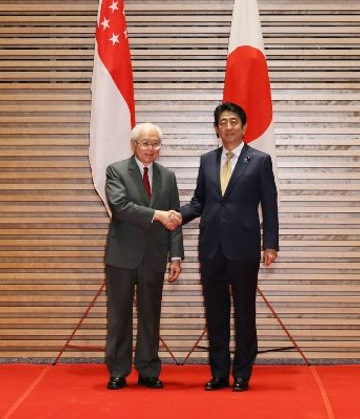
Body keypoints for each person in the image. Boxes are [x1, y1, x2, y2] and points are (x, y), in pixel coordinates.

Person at [173, 102, 279, 392]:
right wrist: (175, 216)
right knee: (215, 312)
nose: (228, 126)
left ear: (243, 127)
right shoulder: (207, 159)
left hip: (244, 248)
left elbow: (269, 204)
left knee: (245, 311)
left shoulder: (259, 160)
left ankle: (243, 372)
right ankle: (219, 372)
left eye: (234, 121)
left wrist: (270, 243)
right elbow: (199, 202)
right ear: (216, 128)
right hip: (210, 248)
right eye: (223, 122)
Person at [104, 122, 184, 390]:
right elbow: (120, 207)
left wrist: (175, 256)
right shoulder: (116, 170)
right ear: (134, 144)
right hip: (122, 256)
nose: (151, 149)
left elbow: (174, 218)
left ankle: (148, 369)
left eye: (156, 144)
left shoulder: (168, 176)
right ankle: (118, 370)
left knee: (151, 314)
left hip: (154, 256)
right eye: (146, 143)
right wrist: (156, 215)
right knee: (120, 315)